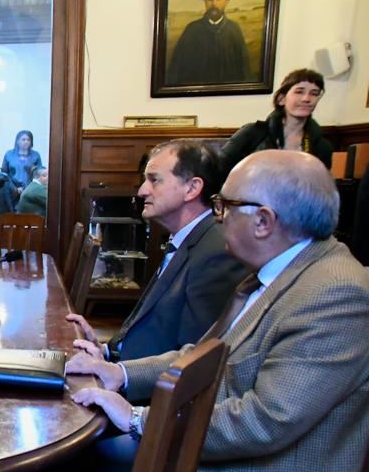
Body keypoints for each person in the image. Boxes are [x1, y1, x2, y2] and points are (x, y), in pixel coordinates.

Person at [43, 150, 369, 472]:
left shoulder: (335, 295)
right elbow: (201, 356)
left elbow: (266, 421)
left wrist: (137, 418)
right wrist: (121, 374)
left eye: (225, 206)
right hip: (218, 465)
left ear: (264, 221)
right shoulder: (280, 272)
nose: (218, 217)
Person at [67, 140, 247, 368]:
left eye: (154, 180)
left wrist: (118, 373)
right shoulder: (187, 239)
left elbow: (196, 359)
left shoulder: (216, 252)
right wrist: (105, 350)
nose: (142, 190)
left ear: (192, 188)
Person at [219, 68, 333, 177]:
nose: (306, 99)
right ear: (281, 99)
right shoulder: (252, 133)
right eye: (299, 92)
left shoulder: (322, 147)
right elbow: (218, 169)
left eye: (314, 93)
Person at [166, 0, 250, 86]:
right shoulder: (192, 30)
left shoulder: (234, 30)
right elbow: (176, 69)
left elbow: (244, 70)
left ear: (226, 1)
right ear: (205, 1)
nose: (214, 3)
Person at [0, 130, 44, 217]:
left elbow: (39, 173)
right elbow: (5, 173)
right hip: (11, 189)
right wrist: (15, 188)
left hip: (29, 190)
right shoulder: (9, 154)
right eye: (23, 139)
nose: (26, 142)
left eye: (28, 140)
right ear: (17, 141)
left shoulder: (35, 155)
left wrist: (26, 188)